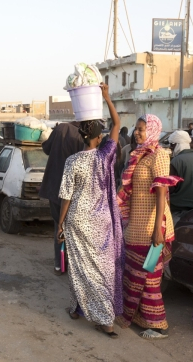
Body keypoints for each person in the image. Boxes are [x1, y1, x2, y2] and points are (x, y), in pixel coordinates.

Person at [58, 83, 124, 338]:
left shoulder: (72, 161)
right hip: (101, 222)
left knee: (79, 266)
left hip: (76, 219)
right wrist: (107, 97)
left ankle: (80, 309)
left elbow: (66, 197)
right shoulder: (105, 155)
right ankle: (104, 319)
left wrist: (61, 224)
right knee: (102, 269)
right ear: (98, 137)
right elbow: (117, 126)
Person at [116, 114, 182, 340]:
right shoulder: (139, 155)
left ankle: (158, 325)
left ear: (152, 130)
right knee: (134, 276)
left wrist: (157, 230)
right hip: (135, 227)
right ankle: (140, 317)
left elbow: (162, 192)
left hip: (152, 229)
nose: (137, 132)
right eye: (136, 128)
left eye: (141, 129)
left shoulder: (160, 155)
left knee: (150, 277)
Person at [39, 119, 84, 275]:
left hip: (55, 187)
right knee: (73, 229)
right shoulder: (84, 135)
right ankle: (71, 266)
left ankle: (59, 265)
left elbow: (46, 148)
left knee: (58, 226)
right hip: (74, 192)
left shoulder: (61, 129)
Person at [168, 130, 193, 223]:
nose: (170, 147)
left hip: (180, 211)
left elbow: (171, 188)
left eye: (172, 144)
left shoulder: (176, 161)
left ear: (178, 144)